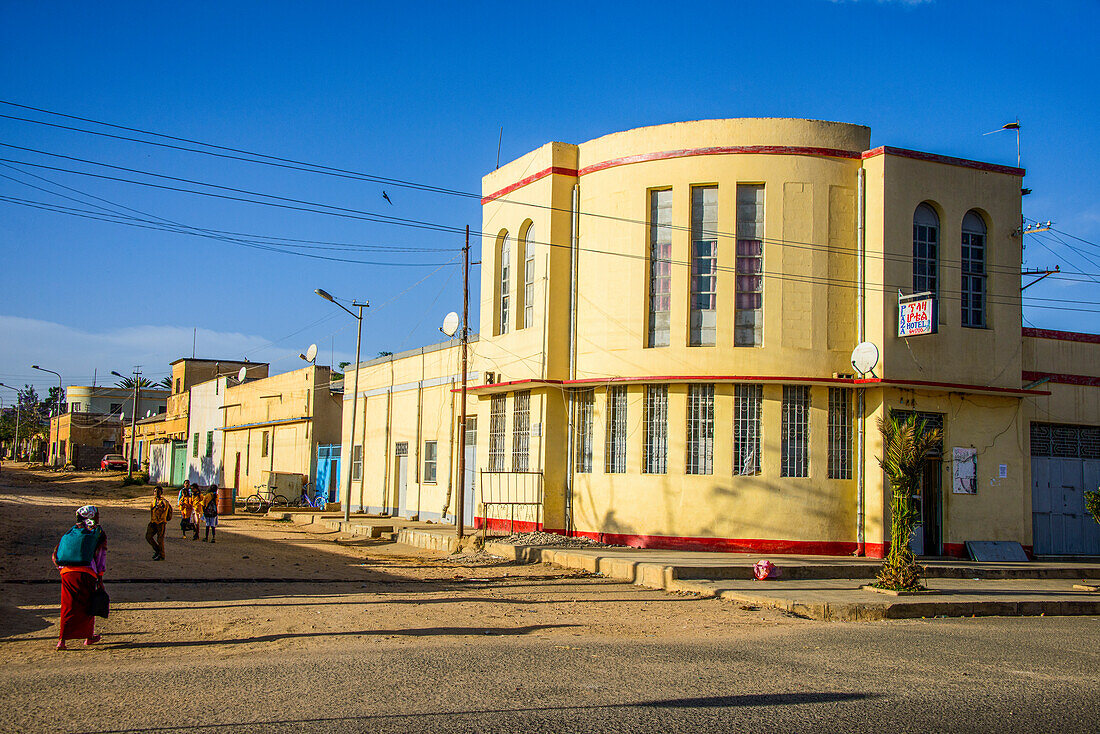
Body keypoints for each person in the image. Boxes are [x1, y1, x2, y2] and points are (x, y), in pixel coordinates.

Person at [51, 505, 107, 650]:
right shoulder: (97, 532)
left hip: (66, 573)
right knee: (88, 604)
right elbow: (100, 556)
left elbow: (56, 553)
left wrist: (61, 569)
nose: (98, 517)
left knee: (68, 606)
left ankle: (62, 641)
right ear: (91, 516)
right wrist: (100, 577)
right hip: (86, 572)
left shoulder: (71, 532)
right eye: (96, 515)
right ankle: (88, 637)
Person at [145, 486, 172, 561]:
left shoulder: (164, 502)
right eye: (155, 491)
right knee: (148, 536)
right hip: (153, 521)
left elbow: (164, 512)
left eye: (158, 491)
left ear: (161, 493)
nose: (156, 493)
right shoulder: (153, 501)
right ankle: (157, 550)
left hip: (161, 522)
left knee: (160, 539)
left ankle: (162, 555)